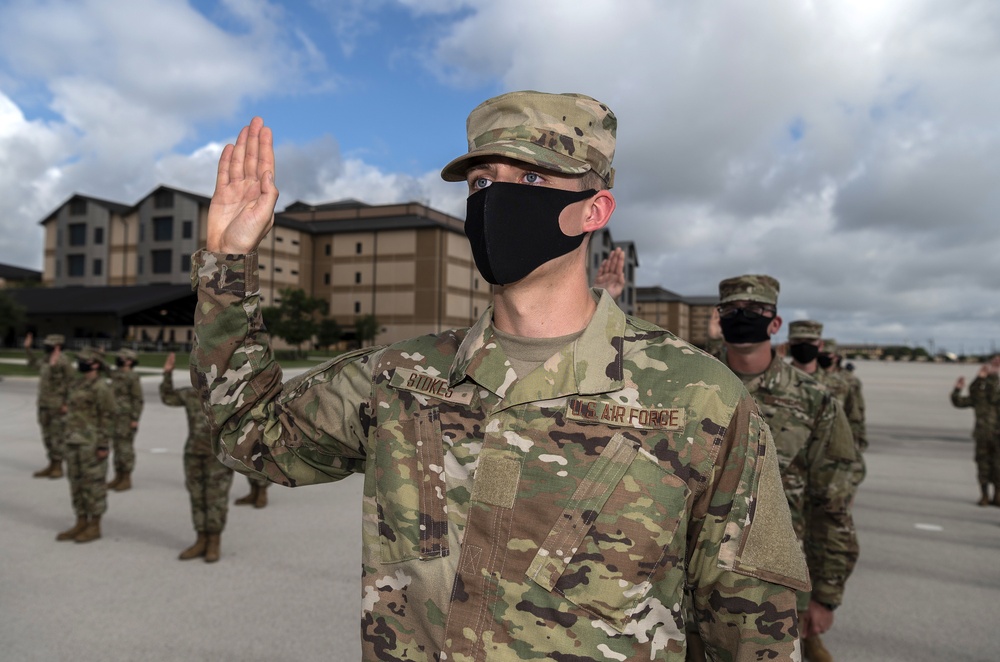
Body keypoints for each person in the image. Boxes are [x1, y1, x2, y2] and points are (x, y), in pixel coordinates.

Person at [190, 92, 809, 660]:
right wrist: (228, 264)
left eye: (532, 179)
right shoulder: (401, 376)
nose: (495, 200)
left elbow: (752, 627)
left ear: (594, 210)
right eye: (482, 181)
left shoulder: (697, 397)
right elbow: (249, 435)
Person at [707, 277, 858, 662]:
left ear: (775, 323)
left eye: (754, 311)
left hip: (773, 582)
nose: (742, 317)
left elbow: (832, 504)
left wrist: (826, 595)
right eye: (732, 310)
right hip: (684, 580)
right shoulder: (689, 382)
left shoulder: (814, 401)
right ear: (719, 319)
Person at [160, 353, 234, 562]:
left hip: (218, 457)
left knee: (216, 499)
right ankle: (201, 539)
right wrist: (167, 373)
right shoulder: (191, 394)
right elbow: (167, 397)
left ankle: (214, 542)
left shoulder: (228, 395)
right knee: (197, 497)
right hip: (194, 454)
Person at [788, 324, 867, 492]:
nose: (804, 346)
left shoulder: (840, 384)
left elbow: (853, 421)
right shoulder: (777, 382)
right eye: (798, 341)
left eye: (809, 341)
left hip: (827, 473)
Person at [57, 346, 115, 543]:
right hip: (73, 441)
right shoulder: (77, 384)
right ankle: (81, 521)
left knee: (94, 485)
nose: (80, 363)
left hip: (91, 444)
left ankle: (95, 525)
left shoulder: (101, 387)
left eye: (84, 360)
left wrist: (103, 445)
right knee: (76, 484)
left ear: (95, 364)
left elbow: (107, 417)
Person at [951, 358, 1000, 506]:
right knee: (982, 466)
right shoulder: (980, 398)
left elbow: (994, 395)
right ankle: (984, 495)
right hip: (982, 435)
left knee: (998, 466)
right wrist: (958, 389)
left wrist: (991, 376)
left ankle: (997, 496)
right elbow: (959, 402)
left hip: (998, 435)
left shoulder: (995, 393)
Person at [24, 332, 72, 479]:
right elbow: (34, 364)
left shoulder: (64, 361)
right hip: (44, 403)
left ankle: (58, 466)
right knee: (47, 436)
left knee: (57, 436)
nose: (46, 346)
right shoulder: (46, 359)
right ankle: (51, 464)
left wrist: (66, 403)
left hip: (57, 405)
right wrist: (28, 349)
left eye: (49, 344)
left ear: (57, 346)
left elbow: (71, 384)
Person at [107, 348, 144, 491]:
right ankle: (118, 476)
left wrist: (134, 419)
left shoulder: (132, 377)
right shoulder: (116, 374)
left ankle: (126, 478)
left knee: (125, 448)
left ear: (129, 361)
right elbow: (104, 368)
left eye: (122, 358)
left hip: (126, 418)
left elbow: (138, 399)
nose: (118, 359)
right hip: (114, 417)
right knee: (116, 447)